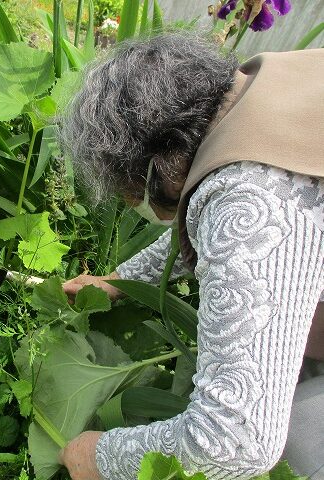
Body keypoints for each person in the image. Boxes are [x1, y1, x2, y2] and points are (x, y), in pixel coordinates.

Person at [56, 31, 324, 480]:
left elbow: (234, 442)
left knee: (294, 445)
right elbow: (212, 219)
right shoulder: (259, 88)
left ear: (157, 165)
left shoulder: (251, 196)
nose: (130, 202)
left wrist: (97, 456)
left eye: (125, 191)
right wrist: (120, 279)